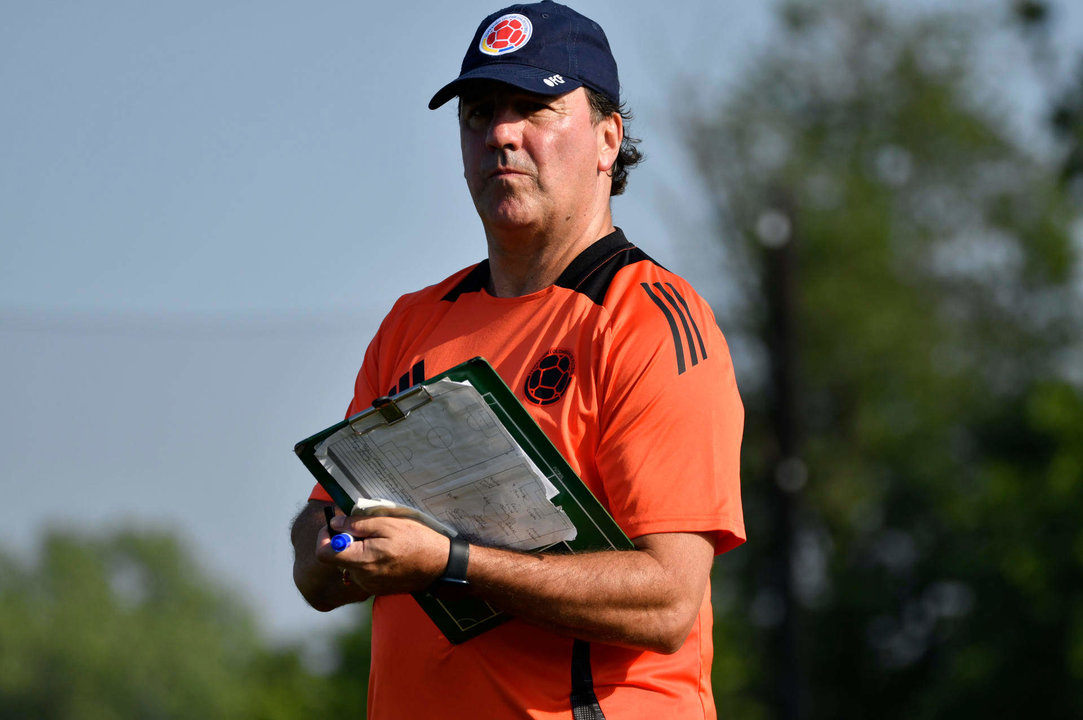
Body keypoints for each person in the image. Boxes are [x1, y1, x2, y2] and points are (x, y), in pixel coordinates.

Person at [291, 2, 745, 717]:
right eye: (478, 112)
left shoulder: (648, 320)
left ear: (606, 139)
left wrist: (450, 564)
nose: (501, 133)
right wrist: (330, 541)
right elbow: (318, 545)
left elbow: (667, 601)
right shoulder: (413, 322)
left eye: (532, 108)